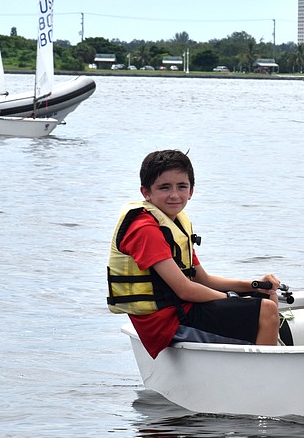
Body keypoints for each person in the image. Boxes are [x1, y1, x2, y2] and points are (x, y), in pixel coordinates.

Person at [107, 149, 281, 359]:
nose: (174, 195)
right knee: (266, 310)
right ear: (146, 192)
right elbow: (185, 290)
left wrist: (253, 285)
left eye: (182, 186)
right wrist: (231, 299)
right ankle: (264, 381)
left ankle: (252, 368)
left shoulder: (173, 223)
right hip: (164, 324)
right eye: (164, 187)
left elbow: (202, 279)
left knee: (265, 296)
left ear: (191, 191)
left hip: (181, 310)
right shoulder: (145, 229)